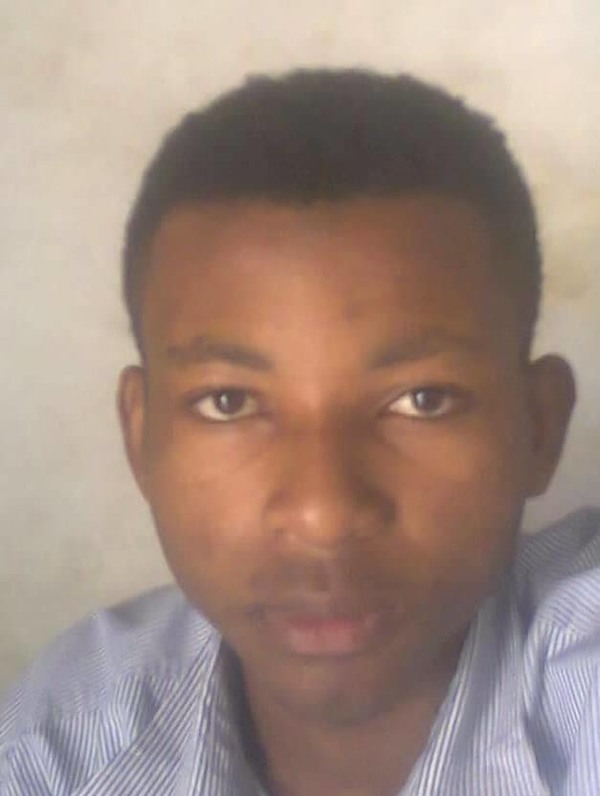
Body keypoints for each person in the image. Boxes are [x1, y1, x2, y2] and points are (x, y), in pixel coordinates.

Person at [0, 68, 597, 796]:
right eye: (227, 402)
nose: (323, 515)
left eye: (424, 400)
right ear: (140, 435)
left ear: (538, 426)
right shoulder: (59, 744)